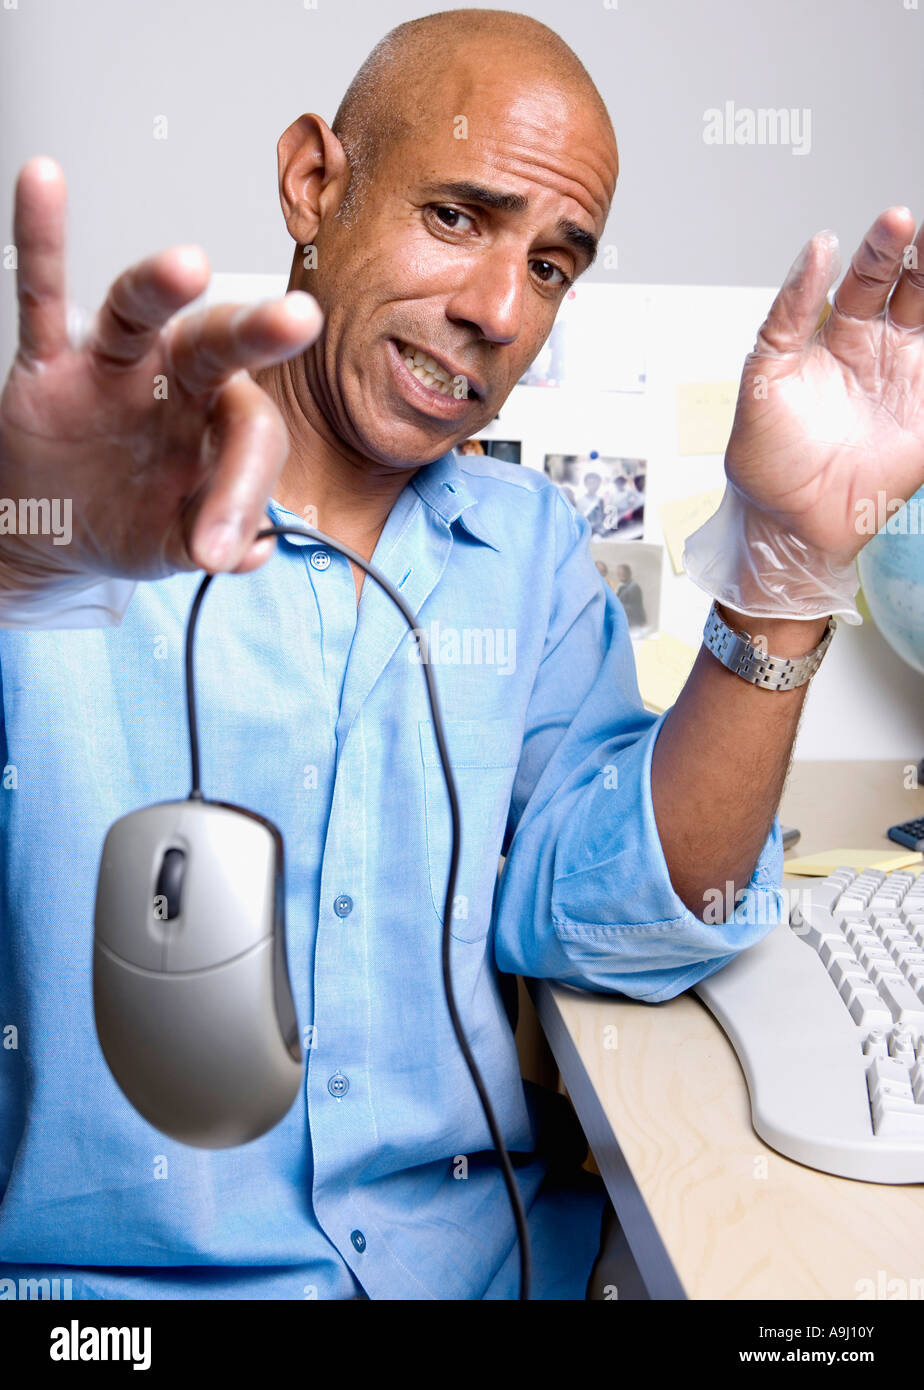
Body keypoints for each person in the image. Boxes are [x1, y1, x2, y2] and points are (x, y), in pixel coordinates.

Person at [1, 7, 922, 1302]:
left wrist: (785, 575)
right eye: (457, 217)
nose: (500, 307)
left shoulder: (529, 547)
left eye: (554, 264)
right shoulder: (69, 508)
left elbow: (621, 922)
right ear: (314, 182)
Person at [614, 563, 646, 630]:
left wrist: (616, 605)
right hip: (627, 621)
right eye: (619, 573)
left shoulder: (633, 587)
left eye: (623, 573)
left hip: (633, 623)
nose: (621, 575)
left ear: (629, 573)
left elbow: (634, 607)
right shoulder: (622, 586)